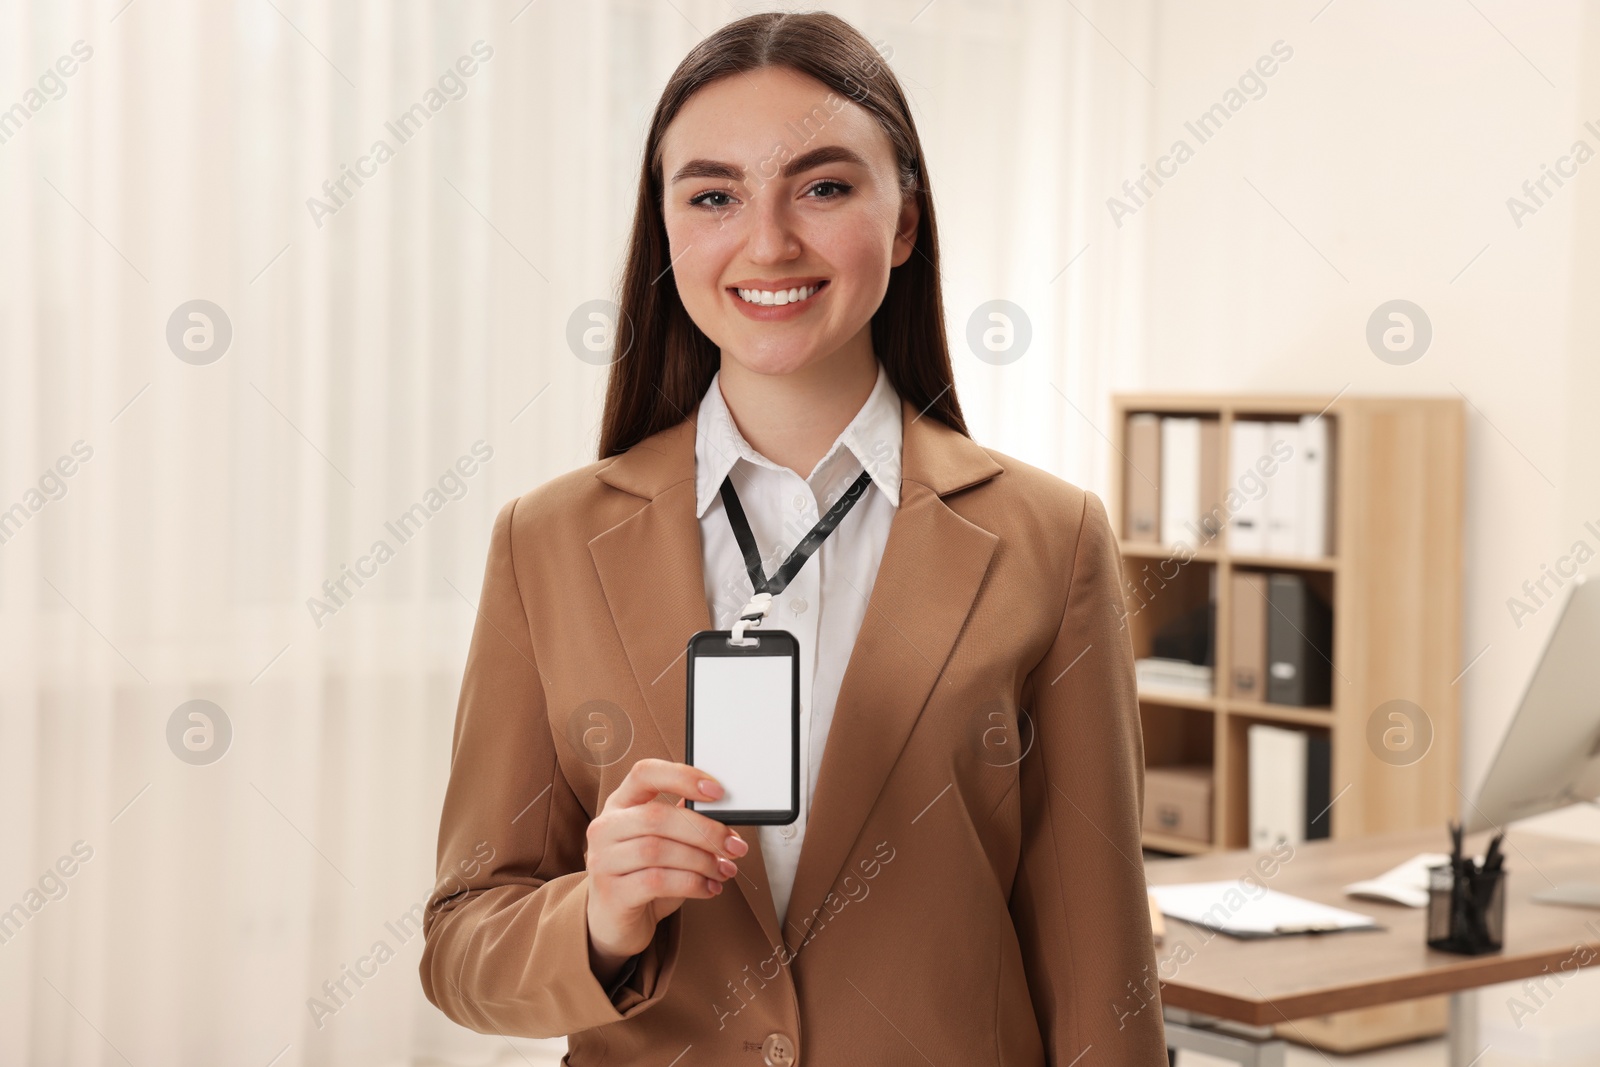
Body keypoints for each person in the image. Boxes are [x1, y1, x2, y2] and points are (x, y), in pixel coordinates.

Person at [421, 10, 1166, 1065]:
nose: (767, 241)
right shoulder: (546, 542)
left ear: (904, 221)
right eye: (714, 196)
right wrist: (601, 914)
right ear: (667, 230)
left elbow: (1102, 970)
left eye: (822, 187)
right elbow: (460, 945)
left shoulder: (1049, 540)